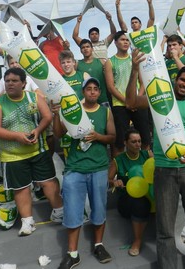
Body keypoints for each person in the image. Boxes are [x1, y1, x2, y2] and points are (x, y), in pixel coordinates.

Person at [125, 49, 185, 269]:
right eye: (182, 79)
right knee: (164, 229)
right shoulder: (158, 100)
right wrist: (135, 70)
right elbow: (130, 101)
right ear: (176, 79)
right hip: (163, 169)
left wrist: (183, 150)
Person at [0, 68, 63, 236]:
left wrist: (37, 130)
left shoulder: (34, 97)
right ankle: (27, 222)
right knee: (21, 188)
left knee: (49, 182)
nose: (10, 84)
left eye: (14, 81)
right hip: (12, 155)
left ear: (23, 83)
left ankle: (60, 211)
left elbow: (47, 117)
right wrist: (16, 137)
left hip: (38, 150)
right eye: (7, 81)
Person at [52, 77, 115, 268]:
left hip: (98, 168)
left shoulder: (105, 112)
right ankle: (72, 253)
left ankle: (98, 245)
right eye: (89, 89)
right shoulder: (73, 111)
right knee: (72, 211)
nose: (93, 91)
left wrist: (98, 136)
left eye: (96, 89)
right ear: (83, 92)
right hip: (75, 168)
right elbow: (58, 134)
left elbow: (112, 137)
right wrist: (56, 114)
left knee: (99, 209)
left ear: (99, 92)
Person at [108, 127, 153, 256]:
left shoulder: (147, 155)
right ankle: (137, 241)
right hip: (126, 199)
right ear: (125, 143)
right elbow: (109, 179)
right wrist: (115, 182)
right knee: (141, 203)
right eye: (133, 142)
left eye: (139, 141)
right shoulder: (119, 159)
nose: (138, 144)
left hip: (148, 195)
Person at [104, 31, 150, 156]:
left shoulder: (135, 59)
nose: (125, 42)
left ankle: (146, 165)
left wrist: (136, 100)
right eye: (122, 39)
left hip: (138, 103)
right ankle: (119, 171)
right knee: (119, 142)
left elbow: (143, 82)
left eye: (127, 40)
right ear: (115, 42)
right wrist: (127, 101)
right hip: (120, 104)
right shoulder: (110, 62)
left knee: (145, 139)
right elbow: (111, 87)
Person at [76, 39, 109, 105]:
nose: (85, 49)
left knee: (107, 115)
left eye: (87, 47)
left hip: (103, 99)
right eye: (83, 47)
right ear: (80, 51)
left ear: (92, 49)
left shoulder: (101, 61)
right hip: (86, 101)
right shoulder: (77, 64)